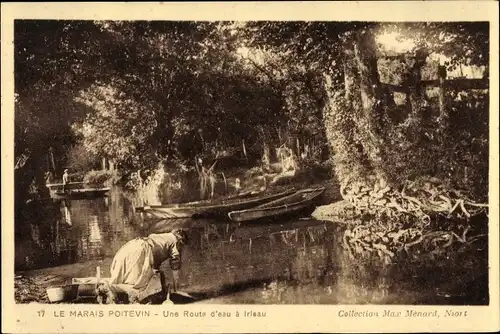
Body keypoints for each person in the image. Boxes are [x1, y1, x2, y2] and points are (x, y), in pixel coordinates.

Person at [97, 229, 189, 304]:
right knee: (137, 284)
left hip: (130, 246)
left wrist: (162, 283)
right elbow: (175, 265)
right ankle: (110, 287)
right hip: (141, 250)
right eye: (182, 246)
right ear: (181, 240)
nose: (181, 249)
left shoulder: (160, 237)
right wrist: (176, 287)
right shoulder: (175, 242)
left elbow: (155, 266)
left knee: (123, 278)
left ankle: (113, 292)